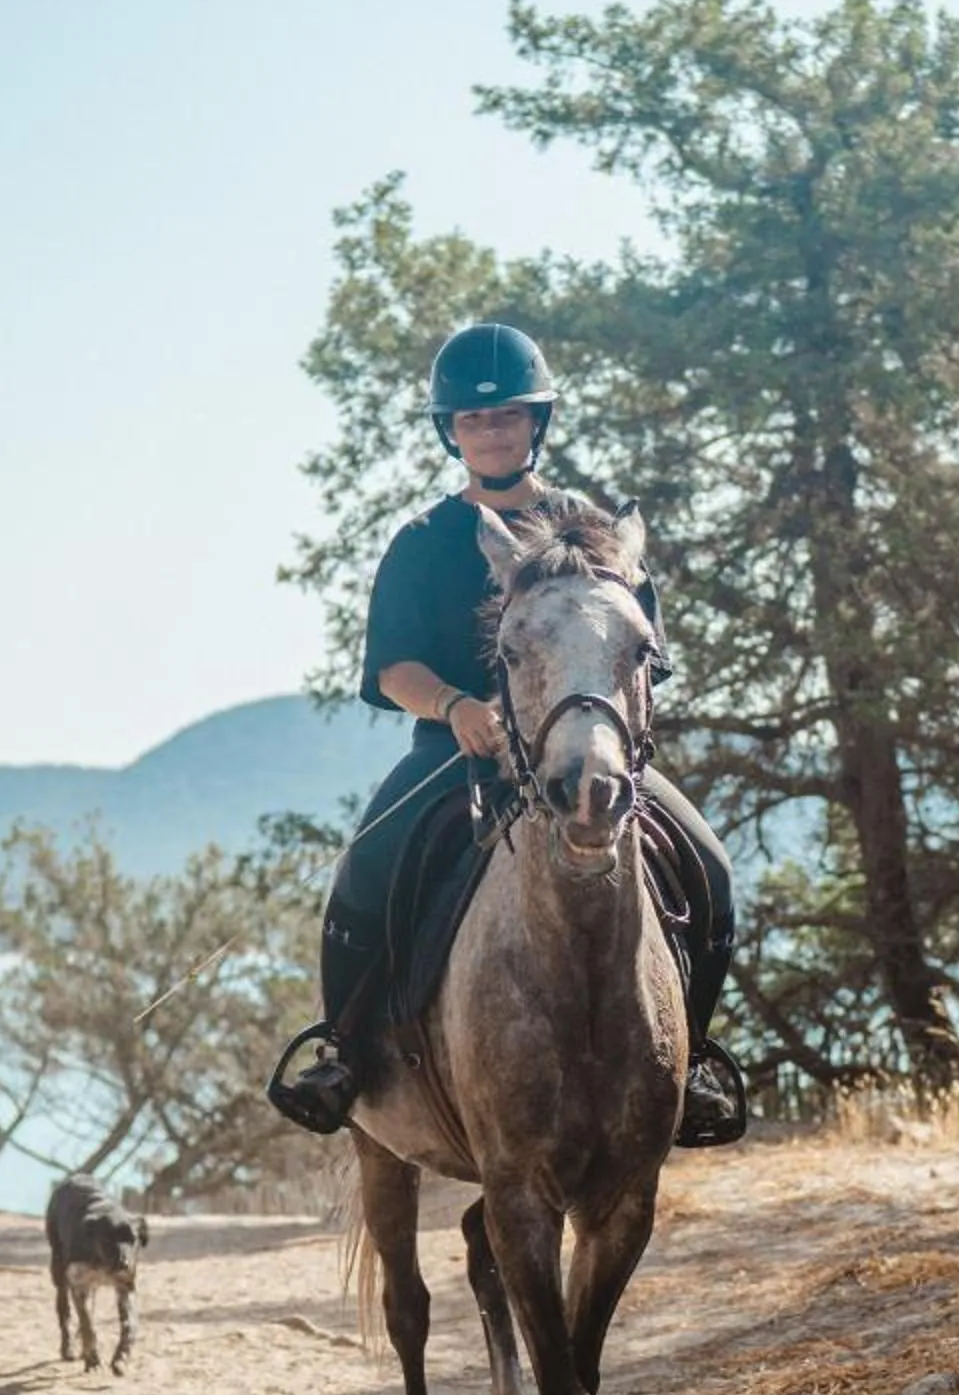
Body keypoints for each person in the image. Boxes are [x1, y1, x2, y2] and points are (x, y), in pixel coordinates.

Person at [269, 322, 748, 1145]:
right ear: (449, 431)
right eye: (473, 421)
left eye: (508, 417)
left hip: (586, 747)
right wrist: (456, 705)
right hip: (458, 754)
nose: (491, 432)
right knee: (365, 874)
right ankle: (343, 1050)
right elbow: (393, 669)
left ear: (538, 423)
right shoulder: (421, 545)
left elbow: (641, 653)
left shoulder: (595, 532)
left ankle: (691, 1059)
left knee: (710, 867)